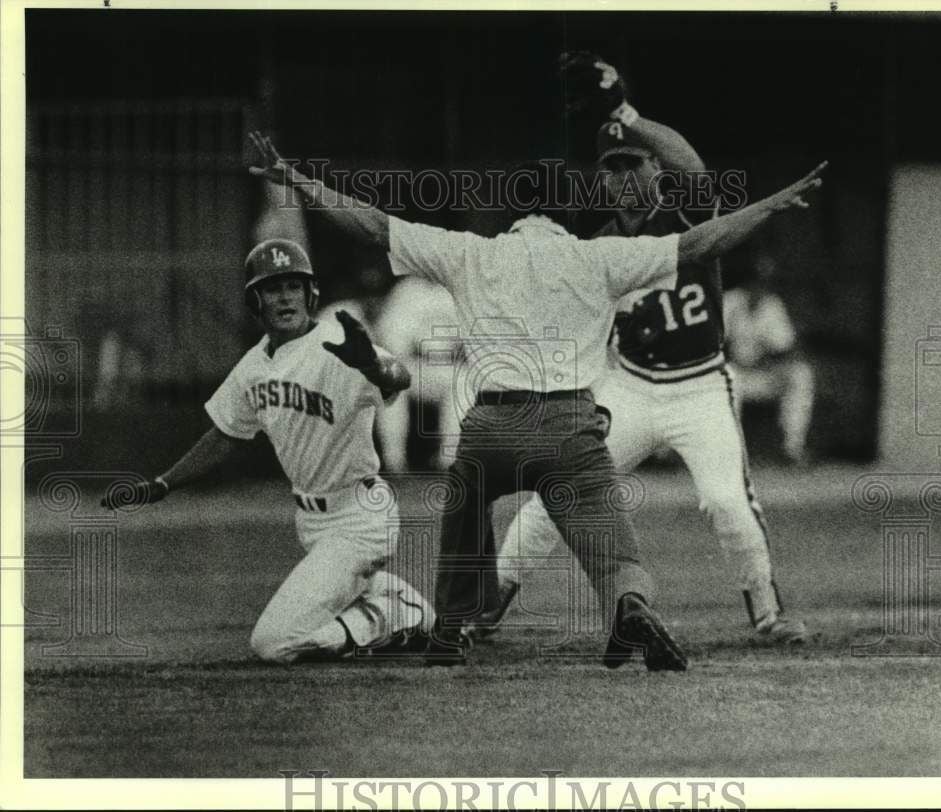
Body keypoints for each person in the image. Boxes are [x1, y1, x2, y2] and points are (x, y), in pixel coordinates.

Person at [247, 130, 825, 670]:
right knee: (610, 537)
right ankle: (629, 602)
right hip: (570, 425)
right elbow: (704, 240)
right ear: (568, 211)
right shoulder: (596, 256)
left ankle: (453, 623)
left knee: (467, 508)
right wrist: (768, 205)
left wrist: (300, 181)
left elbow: (372, 224)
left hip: (493, 424)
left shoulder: (469, 251)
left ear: (512, 210)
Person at [467, 53, 809, 646]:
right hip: (628, 387)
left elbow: (694, 166)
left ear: (656, 169)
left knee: (728, 503)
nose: (625, 177)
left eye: (635, 164)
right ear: (600, 177)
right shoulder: (592, 248)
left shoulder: (687, 215)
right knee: (556, 498)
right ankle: (487, 604)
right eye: (613, 167)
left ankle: (767, 610)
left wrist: (625, 113)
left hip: (700, 384)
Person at [102, 238, 434, 663]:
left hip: (360, 516)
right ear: (255, 300)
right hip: (314, 523)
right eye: (273, 288)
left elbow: (399, 378)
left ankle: (389, 614)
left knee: (275, 643)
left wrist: (373, 366)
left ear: (311, 293)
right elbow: (224, 435)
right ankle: (385, 594)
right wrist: (164, 483)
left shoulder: (339, 344)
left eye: (294, 286)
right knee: (297, 625)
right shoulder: (254, 365)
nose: (285, 297)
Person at [724, 255, 815, 465]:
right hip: (730, 373)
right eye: (756, 280)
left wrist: (770, 360)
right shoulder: (730, 301)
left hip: (759, 376)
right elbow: (710, 343)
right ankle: (730, 454)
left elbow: (785, 348)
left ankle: (792, 449)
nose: (760, 286)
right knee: (729, 377)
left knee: (801, 376)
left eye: (765, 281)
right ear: (746, 281)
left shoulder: (772, 305)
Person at [374, 276, 464, 472]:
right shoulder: (407, 290)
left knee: (462, 383)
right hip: (413, 364)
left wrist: (460, 349)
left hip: (448, 367)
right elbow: (390, 337)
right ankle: (394, 462)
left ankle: (447, 462)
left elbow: (470, 336)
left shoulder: (458, 288)